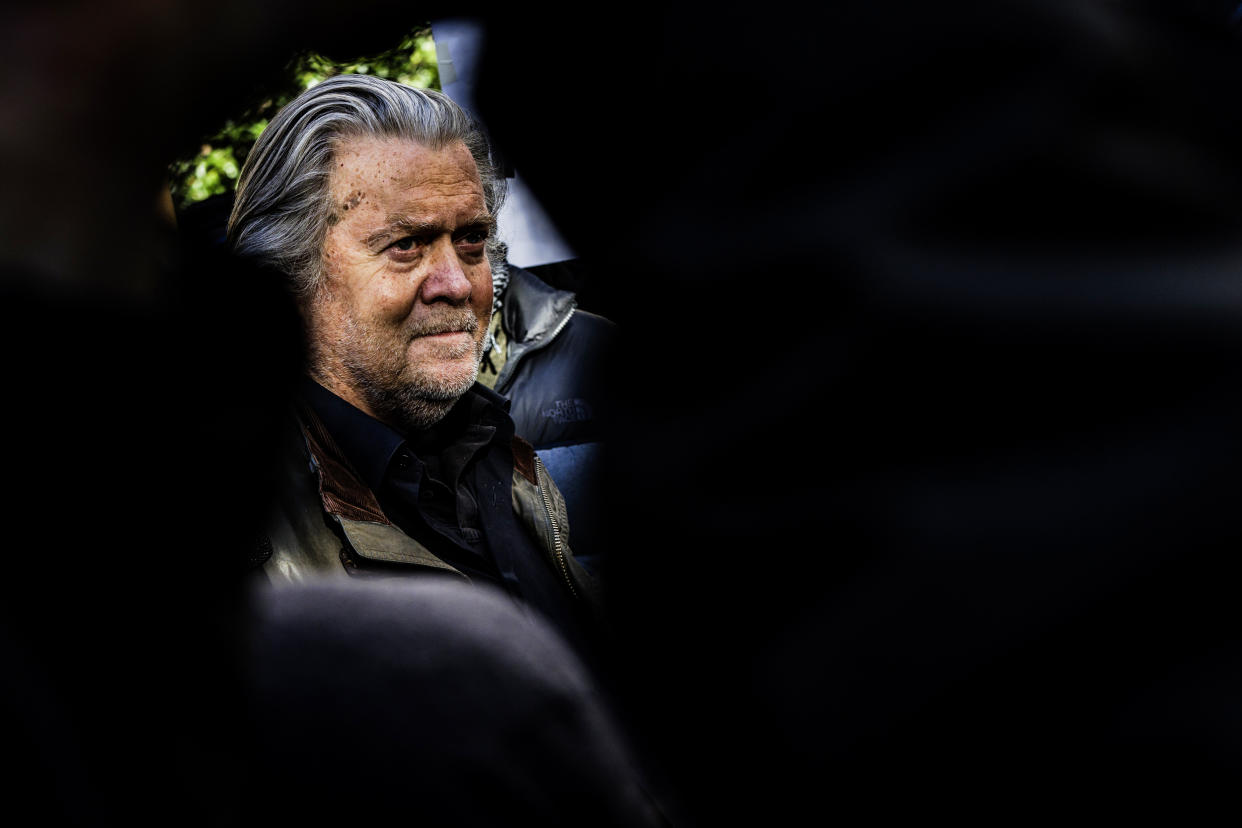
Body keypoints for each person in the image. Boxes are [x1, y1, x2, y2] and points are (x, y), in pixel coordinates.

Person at [227, 73, 600, 655]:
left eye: (472, 240)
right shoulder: (233, 553)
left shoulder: (495, 452)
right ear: (287, 278)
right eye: (406, 245)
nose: (459, 284)